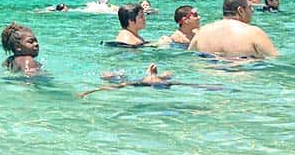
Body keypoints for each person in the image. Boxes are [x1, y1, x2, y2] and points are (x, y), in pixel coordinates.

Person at [188, 0, 278, 58]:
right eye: (250, 7)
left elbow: (189, 56)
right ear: (241, 11)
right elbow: (275, 59)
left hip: (209, 79)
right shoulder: (253, 32)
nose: (252, 10)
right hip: (242, 78)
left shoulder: (202, 31)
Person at [76, 63, 222, 98]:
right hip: (157, 83)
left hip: (152, 82)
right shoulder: (138, 81)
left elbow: (111, 88)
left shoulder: (134, 82)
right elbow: (194, 85)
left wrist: (87, 92)